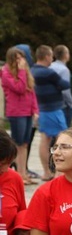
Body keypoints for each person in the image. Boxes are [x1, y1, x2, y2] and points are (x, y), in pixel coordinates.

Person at [31, 45, 70, 182]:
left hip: (41, 109)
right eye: (51, 56)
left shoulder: (32, 71)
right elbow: (65, 84)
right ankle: (60, 171)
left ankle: (46, 171)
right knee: (63, 138)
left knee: (44, 140)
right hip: (53, 109)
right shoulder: (48, 73)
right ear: (46, 56)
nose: (52, 59)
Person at [1, 46, 38, 184]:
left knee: (24, 144)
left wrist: (35, 110)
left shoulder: (26, 73)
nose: (20, 60)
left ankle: (23, 173)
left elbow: (31, 91)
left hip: (27, 111)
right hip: (16, 113)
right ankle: (17, 174)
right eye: (17, 58)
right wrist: (22, 71)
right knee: (17, 143)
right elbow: (20, 89)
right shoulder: (6, 73)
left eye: (21, 57)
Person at [50, 45, 72, 128]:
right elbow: (65, 90)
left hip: (51, 102)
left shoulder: (50, 66)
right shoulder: (64, 70)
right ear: (65, 55)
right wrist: (70, 103)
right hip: (63, 104)